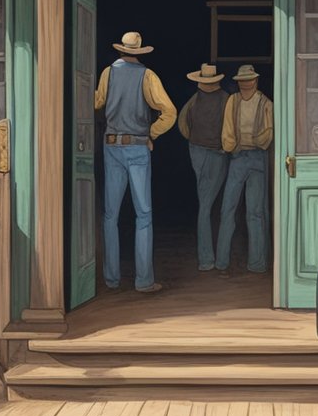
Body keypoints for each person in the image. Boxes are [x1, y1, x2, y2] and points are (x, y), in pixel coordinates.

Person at [94, 31, 177, 293]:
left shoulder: (108, 73)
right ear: (139, 52)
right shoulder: (147, 76)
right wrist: (152, 132)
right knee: (143, 215)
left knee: (110, 215)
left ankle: (111, 279)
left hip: (111, 146)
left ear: (121, 50)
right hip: (138, 147)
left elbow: (97, 102)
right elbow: (170, 112)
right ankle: (143, 280)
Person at [217, 64, 273, 276]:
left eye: (249, 80)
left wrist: (255, 141)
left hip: (258, 158)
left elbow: (267, 135)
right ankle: (222, 261)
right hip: (238, 157)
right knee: (228, 209)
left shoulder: (266, 104)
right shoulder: (233, 102)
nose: (246, 84)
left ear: (255, 81)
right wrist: (231, 146)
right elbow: (228, 132)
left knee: (255, 213)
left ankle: (257, 263)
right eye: (243, 80)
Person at [178, 63, 230, 272]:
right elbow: (231, 127)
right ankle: (207, 259)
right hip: (217, 152)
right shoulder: (226, 99)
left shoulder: (194, 99)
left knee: (205, 200)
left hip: (196, 151)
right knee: (208, 205)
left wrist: (192, 139)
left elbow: (182, 123)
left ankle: (207, 258)